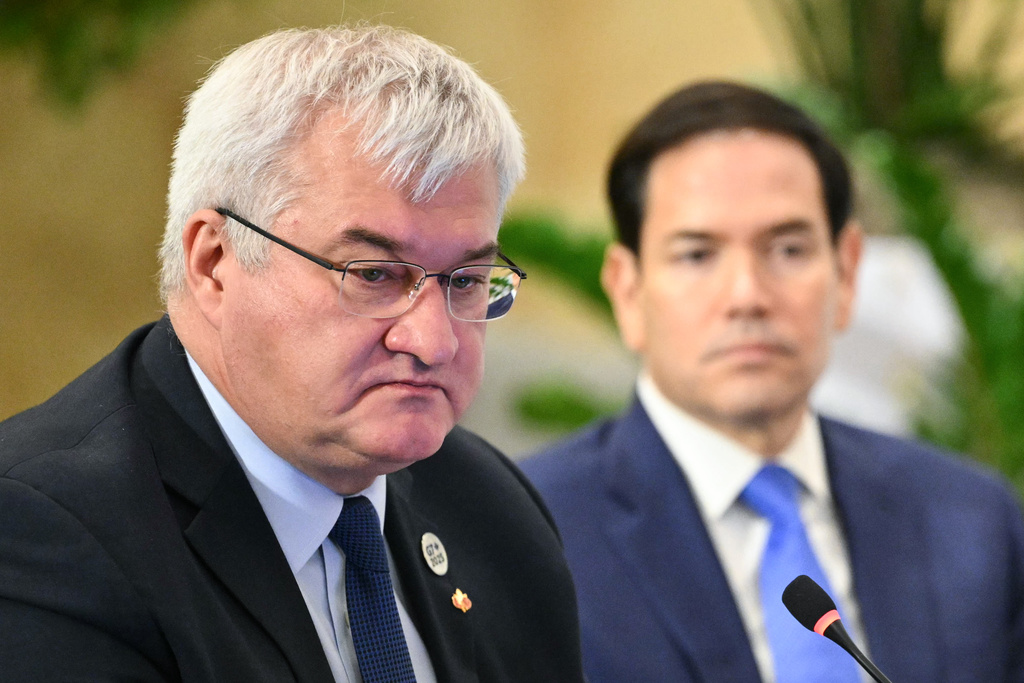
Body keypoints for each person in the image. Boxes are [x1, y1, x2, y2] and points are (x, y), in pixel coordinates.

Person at [0, 26, 584, 683]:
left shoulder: (492, 509)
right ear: (214, 262)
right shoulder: (43, 536)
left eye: (466, 280)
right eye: (373, 274)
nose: (433, 340)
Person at [521, 81, 1024, 682]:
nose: (748, 297)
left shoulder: (970, 520)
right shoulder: (529, 534)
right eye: (697, 255)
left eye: (787, 249)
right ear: (627, 290)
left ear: (847, 271)